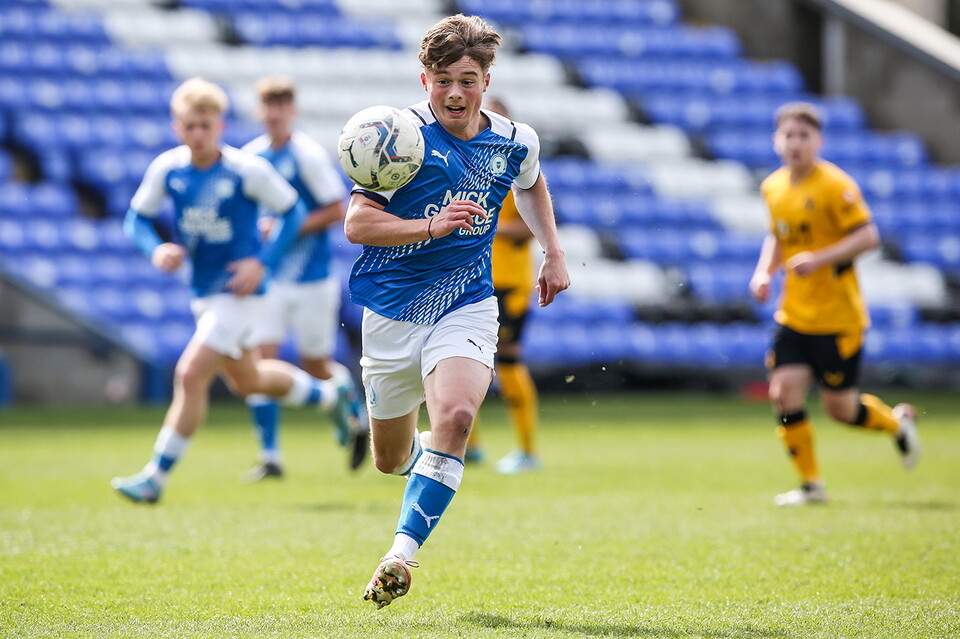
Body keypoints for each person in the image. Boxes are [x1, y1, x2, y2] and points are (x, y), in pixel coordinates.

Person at [344, 15, 570, 608]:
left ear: (486, 80)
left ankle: (400, 554)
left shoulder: (515, 139)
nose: (453, 93)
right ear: (424, 79)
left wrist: (553, 250)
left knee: (459, 416)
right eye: (442, 80)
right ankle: (425, 464)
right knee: (390, 459)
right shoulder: (400, 137)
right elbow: (357, 223)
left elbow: (532, 181)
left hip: (467, 302)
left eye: (466, 80)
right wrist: (429, 225)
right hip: (393, 313)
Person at [111, 77, 363, 504]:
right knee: (249, 381)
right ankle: (330, 393)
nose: (197, 134)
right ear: (177, 128)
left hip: (243, 294)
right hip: (205, 293)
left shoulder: (246, 169)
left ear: (220, 125)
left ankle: (155, 477)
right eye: (189, 126)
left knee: (190, 375)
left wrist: (260, 261)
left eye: (205, 125)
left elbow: (293, 210)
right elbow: (136, 218)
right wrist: (156, 250)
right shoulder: (169, 168)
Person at [749, 101, 921, 507]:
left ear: (818, 141)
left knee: (841, 410)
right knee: (783, 391)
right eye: (788, 135)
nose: (795, 143)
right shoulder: (773, 187)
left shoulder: (834, 185)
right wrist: (763, 273)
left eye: (803, 136)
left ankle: (896, 424)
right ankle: (812, 486)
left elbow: (868, 236)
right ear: (777, 141)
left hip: (838, 319)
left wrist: (820, 258)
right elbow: (779, 235)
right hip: (793, 314)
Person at [241, 76, 366, 480]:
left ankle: (348, 406)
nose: (274, 112)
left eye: (282, 104)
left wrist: (285, 227)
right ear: (260, 111)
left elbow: (335, 209)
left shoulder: (307, 155)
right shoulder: (250, 158)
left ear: (291, 111)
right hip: (271, 279)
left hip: (312, 278)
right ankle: (271, 455)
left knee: (316, 364)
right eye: (268, 105)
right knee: (261, 362)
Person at [463, 97, 543, 474]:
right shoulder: (463, 163)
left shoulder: (515, 163)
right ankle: (469, 446)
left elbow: (531, 225)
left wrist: (485, 225)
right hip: (470, 278)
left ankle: (528, 451)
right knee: (459, 362)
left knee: (508, 365)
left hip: (509, 282)